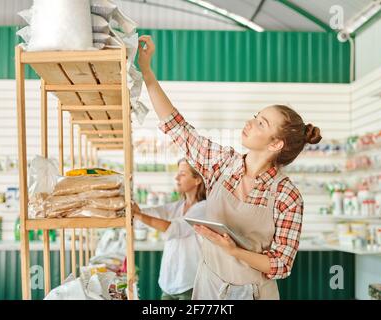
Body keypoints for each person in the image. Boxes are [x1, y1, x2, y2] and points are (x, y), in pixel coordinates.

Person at [137, 35, 323, 300]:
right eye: (256, 116)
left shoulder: (287, 196)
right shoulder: (222, 164)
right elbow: (177, 126)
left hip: (254, 293)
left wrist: (234, 250)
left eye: (262, 124)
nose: (251, 122)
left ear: (276, 145)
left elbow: (281, 264)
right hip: (209, 287)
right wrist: (147, 72)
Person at [132, 159, 206, 300]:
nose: (176, 178)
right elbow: (151, 215)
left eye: (182, 174)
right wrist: (136, 210)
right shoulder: (176, 207)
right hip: (168, 284)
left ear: (197, 180)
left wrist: (139, 215)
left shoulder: (203, 208)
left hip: (189, 286)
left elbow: (174, 229)